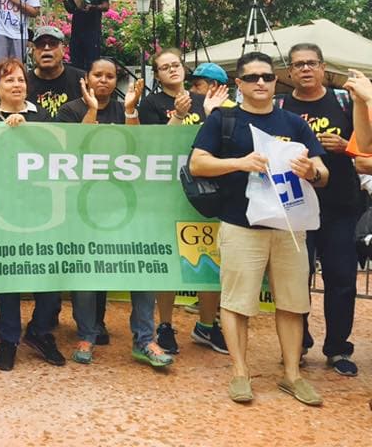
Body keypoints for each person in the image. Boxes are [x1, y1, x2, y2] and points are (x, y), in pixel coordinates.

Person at [189, 51, 328, 405]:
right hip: (240, 224)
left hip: (289, 227)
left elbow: (321, 170)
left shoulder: (294, 123)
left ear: (275, 80)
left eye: (266, 76)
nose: (261, 83)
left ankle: (292, 375)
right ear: (239, 84)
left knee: (293, 303)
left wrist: (311, 171)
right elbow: (198, 164)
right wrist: (241, 162)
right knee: (236, 303)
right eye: (252, 78)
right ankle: (239, 373)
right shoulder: (224, 119)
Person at [55, 59, 172, 369]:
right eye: (97, 75)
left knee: (141, 269)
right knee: (85, 273)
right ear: (86, 78)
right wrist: (92, 110)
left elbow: (137, 148)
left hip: (128, 206)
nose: (104, 81)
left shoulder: (127, 109)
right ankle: (86, 336)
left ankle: (145, 340)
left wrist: (131, 111)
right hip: (83, 207)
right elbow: (72, 149)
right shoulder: (69, 111)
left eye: (109, 76)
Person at [138, 48, 229, 356]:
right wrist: (177, 115)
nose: (172, 70)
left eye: (176, 65)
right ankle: (164, 325)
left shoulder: (206, 101)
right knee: (169, 260)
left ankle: (206, 325)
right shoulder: (151, 104)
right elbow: (153, 148)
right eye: (164, 67)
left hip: (204, 190)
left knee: (207, 257)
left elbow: (218, 141)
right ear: (157, 74)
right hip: (166, 190)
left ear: (184, 69)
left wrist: (212, 113)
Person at [279, 43, 362, 377]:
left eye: (311, 63)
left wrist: (346, 148)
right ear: (290, 72)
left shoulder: (344, 100)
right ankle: (298, 343)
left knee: (342, 278)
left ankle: (338, 348)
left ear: (323, 67)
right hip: (293, 207)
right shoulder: (280, 105)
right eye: (298, 65)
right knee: (295, 280)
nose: (305, 70)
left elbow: (366, 144)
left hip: (341, 206)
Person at [0, 58, 66, 370]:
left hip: (42, 210)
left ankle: (40, 331)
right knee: (8, 277)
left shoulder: (42, 116)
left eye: (21, 80)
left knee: (49, 275)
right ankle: (9, 337)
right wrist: (1, 131)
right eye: (9, 80)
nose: (17, 85)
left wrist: (30, 133)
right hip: (1, 210)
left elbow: (57, 156)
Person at [27, 25, 84, 120]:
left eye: (53, 44)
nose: (46, 48)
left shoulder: (82, 80)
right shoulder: (23, 83)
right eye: (41, 44)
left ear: (63, 50)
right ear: (33, 51)